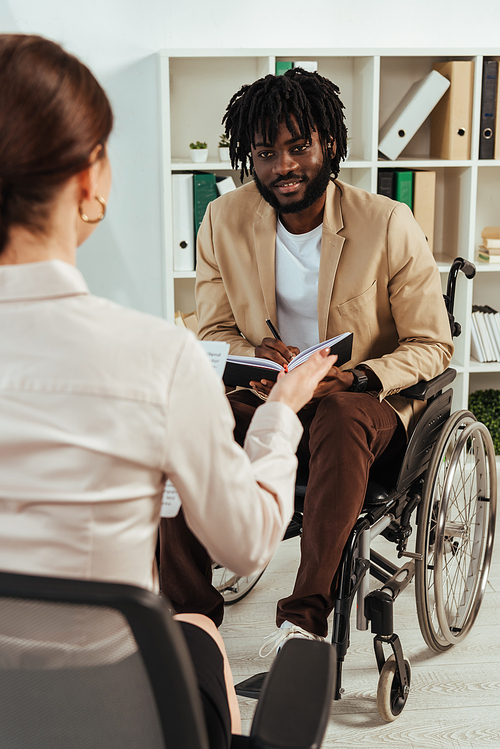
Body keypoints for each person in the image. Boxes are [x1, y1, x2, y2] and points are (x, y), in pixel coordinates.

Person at [0, 35, 335, 749]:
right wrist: (277, 416)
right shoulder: (156, 357)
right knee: (196, 631)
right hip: (104, 713)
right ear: (91, 180)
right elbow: (246, 545)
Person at [159, 67, 454, 653]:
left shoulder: (387, 223)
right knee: (178, 425)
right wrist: (252, 354)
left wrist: (358, 375)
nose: (283, 167)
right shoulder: (224, 219)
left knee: (342, 415)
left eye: (299, 148)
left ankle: (305, 618)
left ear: (330, 146)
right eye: (266, 153)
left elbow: (433, 344)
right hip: (271, 395)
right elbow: (216, 329)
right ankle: (190, 617)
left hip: (363, 403)